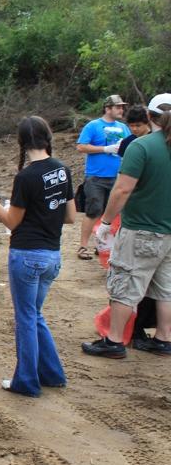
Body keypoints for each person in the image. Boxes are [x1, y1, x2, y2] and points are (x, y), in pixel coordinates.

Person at [0, 117, 75, 396]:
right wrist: (44, 214)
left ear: (21, 142)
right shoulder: (62, 170)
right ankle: (52, 373)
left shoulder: (26, 177)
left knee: (26, 319)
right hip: (52, 254)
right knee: (34, 314)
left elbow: (11, 221)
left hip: (27, 254)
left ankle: (27, 381)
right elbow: (70, 216)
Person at [82, 92, 171, 358]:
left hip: (141, 229)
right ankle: (164, 338)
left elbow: (122, 190)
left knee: (125, 284)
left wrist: (106, 222)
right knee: (166, 288)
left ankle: (114, 340)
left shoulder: (142, 147)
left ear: (149, 116)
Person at [75, 94, 130, 260]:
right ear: (107, 108)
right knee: (93, 211)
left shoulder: (123, 127)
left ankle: (103, 246)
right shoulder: (93, 126)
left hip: (118, 177)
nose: (121, 110)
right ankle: (83, 247)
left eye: (122, 107)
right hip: (96, 177)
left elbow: (130, 146)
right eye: (118, 107)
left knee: (112, 213)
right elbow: (81, 146)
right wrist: (105, 149)